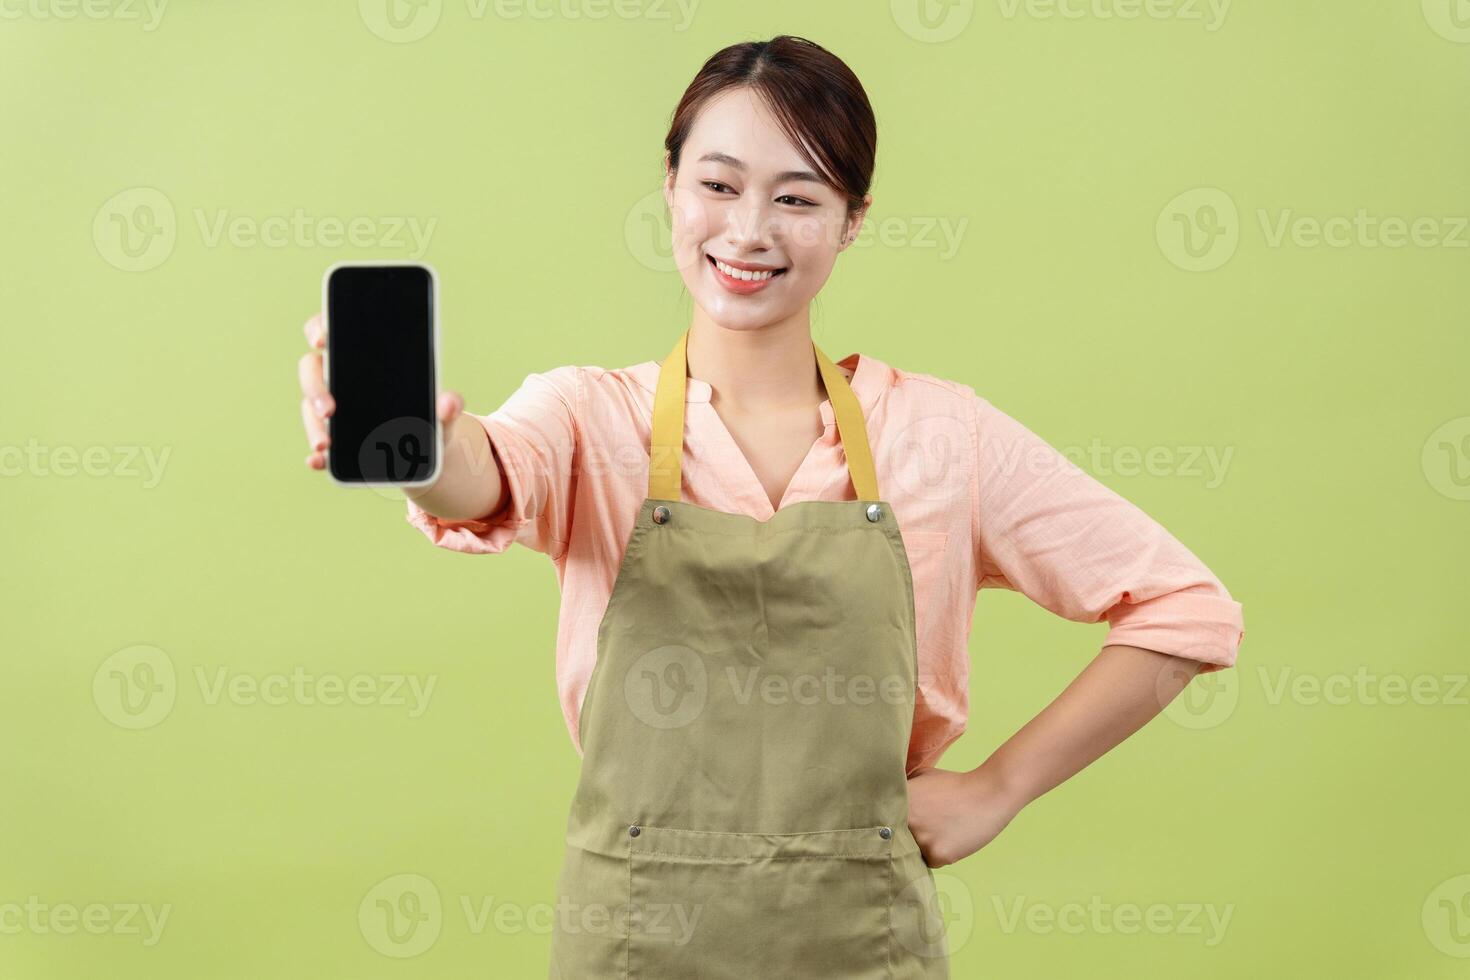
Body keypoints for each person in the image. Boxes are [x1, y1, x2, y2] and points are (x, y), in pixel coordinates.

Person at [296, 34, 1243, 980]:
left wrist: (1000, 788)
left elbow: (1186, 610)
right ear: (669, 186)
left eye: (797, 198)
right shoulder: (590, 417)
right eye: (718, 185)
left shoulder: (941, 438)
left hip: (863, 949)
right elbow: (488, 475)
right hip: (631, 945)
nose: (750, 230)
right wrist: (415, 445)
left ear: (852, 219)